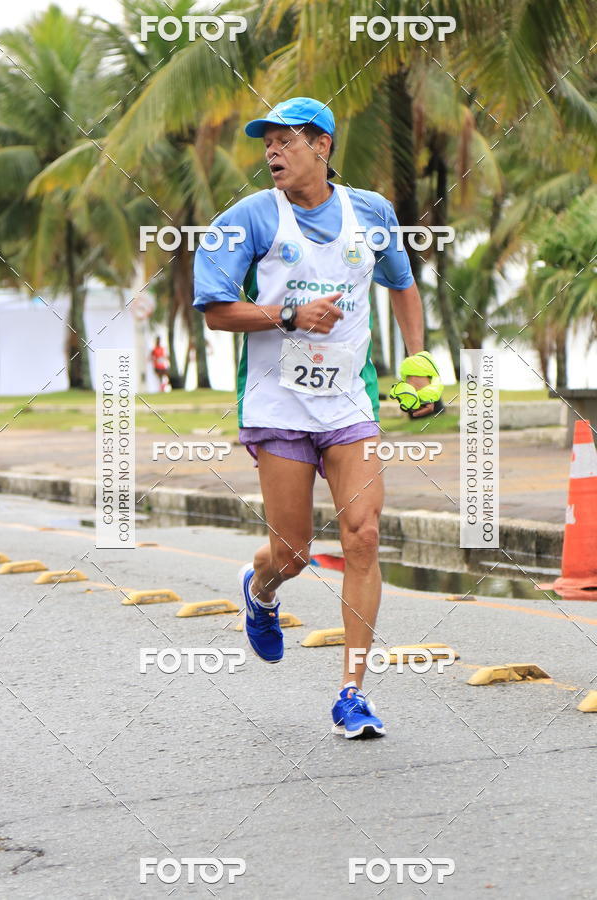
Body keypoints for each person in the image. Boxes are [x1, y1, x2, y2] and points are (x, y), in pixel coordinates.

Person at [194, 97, 435, 739]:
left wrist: (418, 360)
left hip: (349, 401)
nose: (272, 152)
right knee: (295, 552)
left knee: (362, 534)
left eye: (286, 141)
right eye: (266, 143)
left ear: (323, 145)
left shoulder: (372, 213)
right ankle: (262, 588)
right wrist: (290, 316)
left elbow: (403, 283)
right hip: (277, 404)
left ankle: (352, 693)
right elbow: (215, 310)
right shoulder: (249, 218)